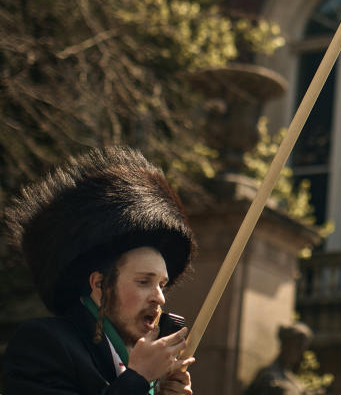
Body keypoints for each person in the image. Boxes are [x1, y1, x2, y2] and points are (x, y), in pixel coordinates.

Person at [2, 146, 198, 394]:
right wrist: (138, 378)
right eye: (143, 282)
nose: (159, 297)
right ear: (99, 285)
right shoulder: (43, 343)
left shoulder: (152, 375)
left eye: (162, 284)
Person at [242, 323, 313, 395]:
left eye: (302, 347)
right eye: (297, 345)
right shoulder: (267, 377)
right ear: (285, 345)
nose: (300, 351)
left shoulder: (292, 380)